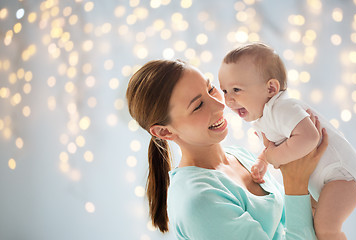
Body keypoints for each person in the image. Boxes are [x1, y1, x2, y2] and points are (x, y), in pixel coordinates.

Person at [126, 59, 328, 239]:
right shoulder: (200, 202)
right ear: (164, 132)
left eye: (211, 88)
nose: (219, 105)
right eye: (198, 106)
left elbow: (289, 223)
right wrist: (296, 182)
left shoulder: (238, 157)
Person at [218, 43, 356, 240]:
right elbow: (279, 144)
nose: (228, 100)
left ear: (271, 88)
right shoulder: (265, 117)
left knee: (326, 228)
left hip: (343, 176)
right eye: (224, 91)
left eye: (236, 90)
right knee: (313, 225)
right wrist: (264, 160)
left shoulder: (282, 107)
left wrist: (273, 156)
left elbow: (309, 137)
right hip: (327, 179)